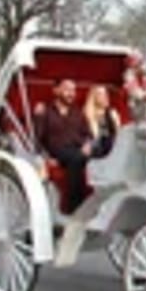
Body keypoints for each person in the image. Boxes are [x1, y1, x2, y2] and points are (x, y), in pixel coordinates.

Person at [34, 78, 93, 212]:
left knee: (95, 155)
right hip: (58, 151)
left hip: (79, 150)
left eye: (73, 90)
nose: (71, 93)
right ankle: (74, 207)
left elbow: (88, 134)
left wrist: (88, 144)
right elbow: (38, 138)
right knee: (76, 157)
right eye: (67, 89)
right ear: (56, 90)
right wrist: (45, 157)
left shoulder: (78, 113)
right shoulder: (45, 111)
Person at [83, 84, 120, 158]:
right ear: (94, 97)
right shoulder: (87, 114)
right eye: (100, 94)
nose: (105, 97)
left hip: (110, 145)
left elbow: (118, 135)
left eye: (105, 94)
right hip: (96, 146)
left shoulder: (113, 113)